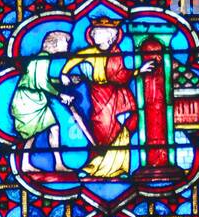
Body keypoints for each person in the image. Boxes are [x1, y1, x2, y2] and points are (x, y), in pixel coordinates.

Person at [62, 22, 156, 181]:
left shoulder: (115, 53)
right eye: (92, 33)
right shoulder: (90, 52)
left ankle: (119, 168)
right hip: (97, 95)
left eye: (97, 33)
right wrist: (64, 73)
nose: (92, 35)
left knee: (119, 130)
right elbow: (74, 60)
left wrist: (138, 71)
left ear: (109, 36)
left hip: (116, 96)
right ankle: (95, 167)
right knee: (99, 127)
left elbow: (120, 75)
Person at [10, 30, 75, 174]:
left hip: (34, 99)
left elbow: (38, 79)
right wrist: (60, 94)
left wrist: (60, 80)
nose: (68, 45)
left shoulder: (42, 58)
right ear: (56, 43)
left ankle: (58, 164)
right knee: (31, 134)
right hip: (28, 101)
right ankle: (25, 164)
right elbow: (41, 83)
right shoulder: (43, 58)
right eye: (66, 41)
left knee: (53, 128)